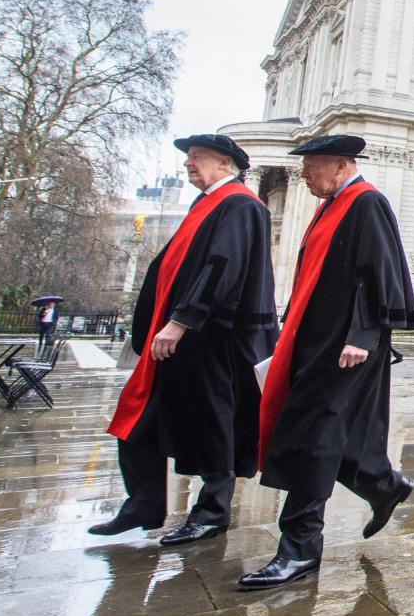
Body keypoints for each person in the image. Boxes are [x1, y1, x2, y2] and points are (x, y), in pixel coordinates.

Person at [242, 134, 414, 591]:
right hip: (318, 343)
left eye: (312, 166)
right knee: (327, 434)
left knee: (313, 439)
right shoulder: (332, 205)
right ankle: (383, 485)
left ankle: (299, 549)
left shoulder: (366, 202)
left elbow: (379, 270)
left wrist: (361, 334)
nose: (303, 174)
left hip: (347, 346)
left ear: (341, 165)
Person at [92, 134, 276, 545]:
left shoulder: (242, 205)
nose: (189, 164)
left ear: (225, 164)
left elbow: (220, 269)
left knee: (214, 424)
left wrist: (182, 321)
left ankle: (212, 512)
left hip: (212, 340)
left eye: (197, 158)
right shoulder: (208, 203)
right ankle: (143, 502)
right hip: (180, 342)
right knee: (137, 419)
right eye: (189, 159)